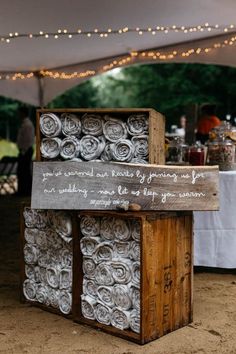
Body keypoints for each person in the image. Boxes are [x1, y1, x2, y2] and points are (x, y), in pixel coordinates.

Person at [16, 106, 35, 196]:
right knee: (23, 171)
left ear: (23, 113)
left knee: (24, 171)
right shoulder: (25, 123)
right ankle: (23, 190)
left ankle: (26, 191)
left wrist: (23, 151)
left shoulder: (27, 124)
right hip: (24, 150)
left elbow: (27, 140)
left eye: (19, 113)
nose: (18, 115)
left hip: (26, 150)